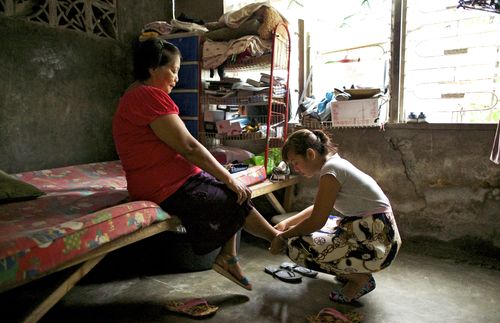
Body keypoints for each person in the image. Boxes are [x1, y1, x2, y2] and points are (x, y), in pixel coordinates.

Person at [112, 37, 281, 291]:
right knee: (232, 195)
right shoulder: (148, 96)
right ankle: (275, 241)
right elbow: (188, 146)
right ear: (152, 68)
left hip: (168, 179)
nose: (176, 78)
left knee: (233, 192)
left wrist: (224, 177)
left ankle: (238, 253)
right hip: (163, 185)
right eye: (173, 70)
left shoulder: (134, 93)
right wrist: (228, 177)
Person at [269, 129, 401, 303]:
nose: (296, 168)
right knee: (309, 229)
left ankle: (359, 279)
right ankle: (353, 271)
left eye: (295, 162)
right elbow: (318, 208)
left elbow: (316, 220)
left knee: (296, 242)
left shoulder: (331, 170)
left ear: (310, 154)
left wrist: (283, 236)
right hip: (379, 233)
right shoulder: (335, 164)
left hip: (376, 241)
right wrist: (286, 223)